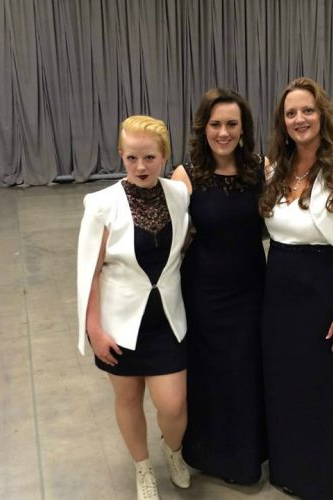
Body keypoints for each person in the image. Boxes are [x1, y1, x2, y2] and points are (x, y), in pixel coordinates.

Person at [259, 77, 333, 499]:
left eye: (307, 110)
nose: (299, 119)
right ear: (282, 122)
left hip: (322, 293)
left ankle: (323, 480)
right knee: (285, 382)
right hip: (278, 291)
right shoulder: (276, 170)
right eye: (291, 113)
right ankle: (289, 468)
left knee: (322, 388)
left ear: (322, 115)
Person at [77, 115, 191, 500]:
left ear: (164, 156)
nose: (140, 167)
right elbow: (89, 272)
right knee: (127, 399)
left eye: (149, 158)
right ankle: (142, 467)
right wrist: (94, 329)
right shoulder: (101, 204)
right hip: (119, 325)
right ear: (121, 156)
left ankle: (172, 450)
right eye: (131, 158)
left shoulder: (178, 195)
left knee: (173, 405)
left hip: (168, 321)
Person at [172, 88, 267, 484]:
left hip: (252, 288)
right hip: (204, 292)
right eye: (215, 124)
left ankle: (247, 456)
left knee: (246, 371)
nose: (223, 132)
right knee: (211, 373)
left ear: (243, 128)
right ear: (203, 128)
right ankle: (210, 454)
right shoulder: (186, 175)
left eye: (231, 124)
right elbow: (172, 240)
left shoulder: (261, 169)